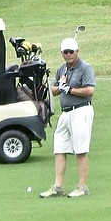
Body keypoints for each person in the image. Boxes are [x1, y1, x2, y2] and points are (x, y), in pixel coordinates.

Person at [40, 37, 96, 199]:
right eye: (66, 52)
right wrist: (60, 85)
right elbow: (54, 90)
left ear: (77, 52)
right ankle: (58, 187)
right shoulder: (62, 69)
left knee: (80, 149)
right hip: (65, 113)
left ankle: (83, 186)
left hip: (81, 111)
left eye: (72, 51)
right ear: (62, 53)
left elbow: (89, 91)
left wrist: (69, 89)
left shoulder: (85, 68)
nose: (69, 54)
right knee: (59, 148)